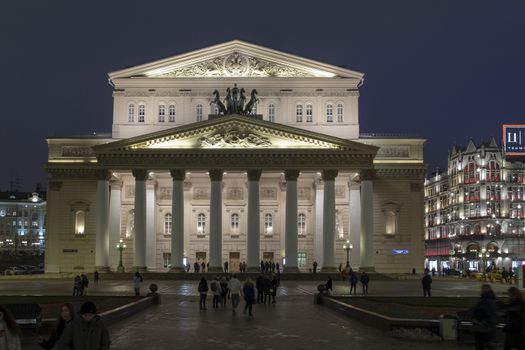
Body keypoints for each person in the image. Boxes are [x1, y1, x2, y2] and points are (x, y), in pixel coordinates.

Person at [471, 284, 498, 350]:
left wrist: (478, 320)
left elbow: (485, 312)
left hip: (483, 326)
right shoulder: (490, 299)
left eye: (483, 289)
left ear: (487, 289)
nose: (481, 290)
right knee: (486, 344)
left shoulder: (486, 300)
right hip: (487, 326)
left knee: (482, 344)